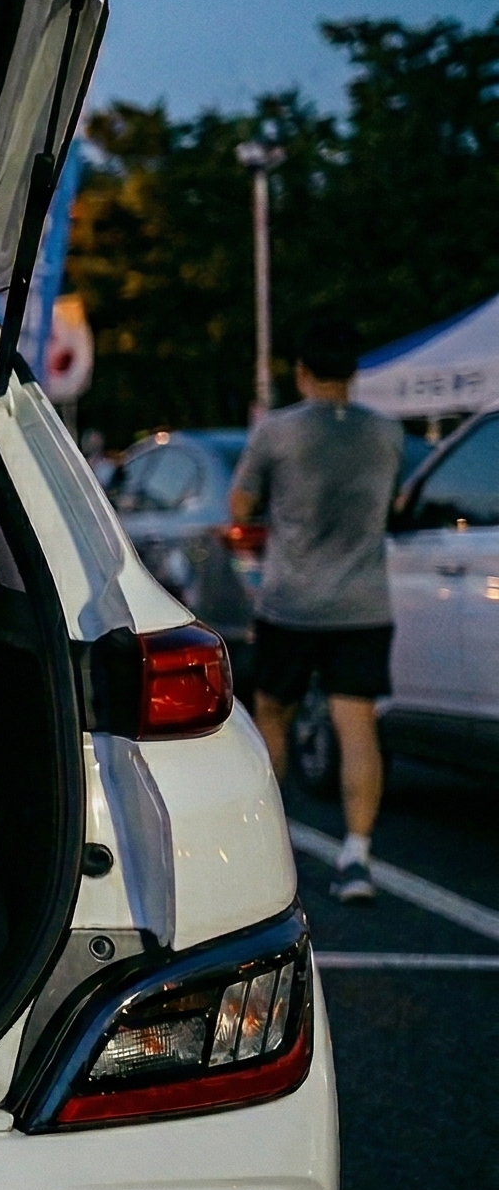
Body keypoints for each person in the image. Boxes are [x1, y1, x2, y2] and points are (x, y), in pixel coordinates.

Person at [231, 316, 405, 903]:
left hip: (291, 603)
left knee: (271, 714)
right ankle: (356, 857)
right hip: (363, 604)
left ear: (302, 372)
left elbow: (241, 505)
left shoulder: (277, 432)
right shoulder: (387, 434)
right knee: (357, 727)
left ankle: (266, 851)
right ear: (354, 375)